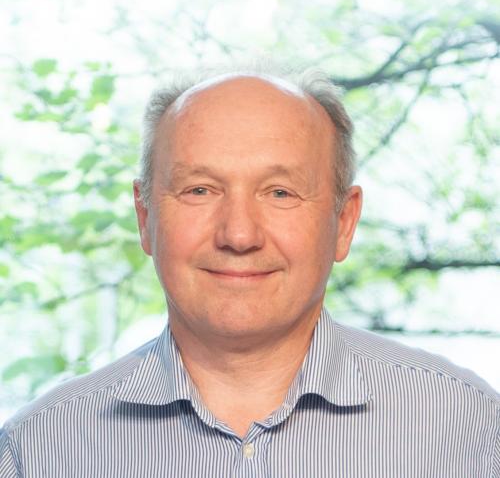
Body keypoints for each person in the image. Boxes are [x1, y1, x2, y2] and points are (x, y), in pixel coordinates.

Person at [0, 66, 498, 478]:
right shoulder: (37, 450)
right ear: (145, 217)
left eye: (280, 192)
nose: (239, 235)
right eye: (199, 190)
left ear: (343, 223)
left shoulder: (469, 429)